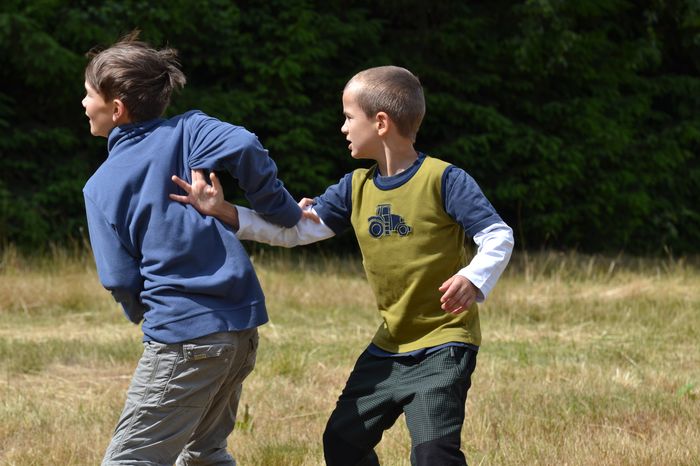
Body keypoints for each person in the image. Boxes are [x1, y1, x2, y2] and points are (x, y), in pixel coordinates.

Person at [172, 66, 514, 465]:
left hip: (445, 342)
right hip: (390, 345)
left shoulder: (444, 179)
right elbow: (296, 231)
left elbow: (497, 235)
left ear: (381, 123)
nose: (343, 127)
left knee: (433, 453)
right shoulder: (354, 187)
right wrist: (224, 210)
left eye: (349, 117)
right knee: (342, 441)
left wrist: (473, 277)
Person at [81, 32, 312, 465]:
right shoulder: (190, 130)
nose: (83, 103)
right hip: (240, 330)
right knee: (205, 453)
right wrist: (282, 211)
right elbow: (245, 144)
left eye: (88, 94)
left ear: (116, 109)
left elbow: (118, 278)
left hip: (185, 338)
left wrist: (144, 310)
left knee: (130, 459)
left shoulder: (100, 186)